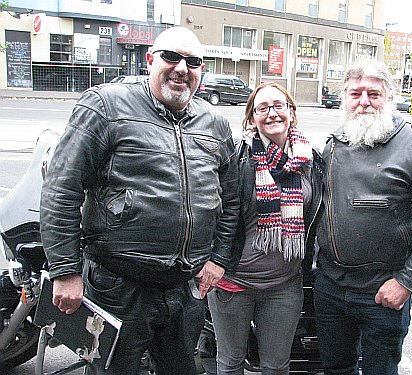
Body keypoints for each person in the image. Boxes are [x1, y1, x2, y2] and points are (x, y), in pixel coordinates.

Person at [39, 26, 239, 375]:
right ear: (150, 60)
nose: (181, 68)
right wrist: (65, 271)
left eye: (193, 62)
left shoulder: (215, 123)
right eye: (171, 57)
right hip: (118, 287)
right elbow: (62, 189)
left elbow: (232, 199)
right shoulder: (105, 105)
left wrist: (219, 259)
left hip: (184, 288)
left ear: (201, 71)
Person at [314, 61, 412, 375]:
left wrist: (407, 283)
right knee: (336, 369)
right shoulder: (334, 145)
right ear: (344, 97)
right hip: (330, 287)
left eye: (373, 93)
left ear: (389, 96)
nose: (364, 101)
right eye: (355, 93)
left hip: (384, 292)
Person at [207, 82, 323, 375]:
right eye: (262, 108)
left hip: (283, 286)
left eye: (278, 106)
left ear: (291, 113)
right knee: (230, 363)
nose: (272, 113)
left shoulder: (311, 161)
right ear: (251, 118)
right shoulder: (236, 158)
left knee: (276, 367)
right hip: (233, 283)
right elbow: (213, 213)